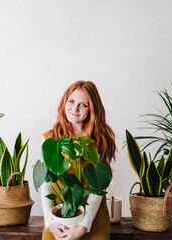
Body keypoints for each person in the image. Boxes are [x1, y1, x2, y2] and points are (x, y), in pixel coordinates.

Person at [40, 80, 116, 240]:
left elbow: (98, 187)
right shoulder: (52, 138)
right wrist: (50, 222)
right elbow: (45, 182)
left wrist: (83, 226)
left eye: (83, 105)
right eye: (71, 101)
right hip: (58, 215)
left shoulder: (100, 140)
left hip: (91, 216)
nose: (75, 109)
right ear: (64, 102)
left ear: (92, 110)